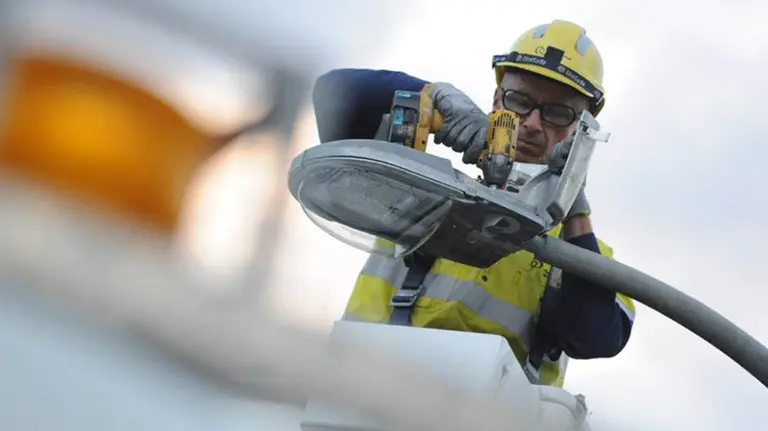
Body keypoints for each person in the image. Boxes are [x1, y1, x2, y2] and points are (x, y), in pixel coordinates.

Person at [310, 19, 636, 388]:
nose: (530, 124)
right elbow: (334, 93)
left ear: (581, 129)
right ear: (497, 100)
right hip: (361, 401)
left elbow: (595, 336)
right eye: (519, 101)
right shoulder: (420, 191)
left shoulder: (588, 255)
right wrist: (433, 95)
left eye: (557, 113)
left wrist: (573, 201)